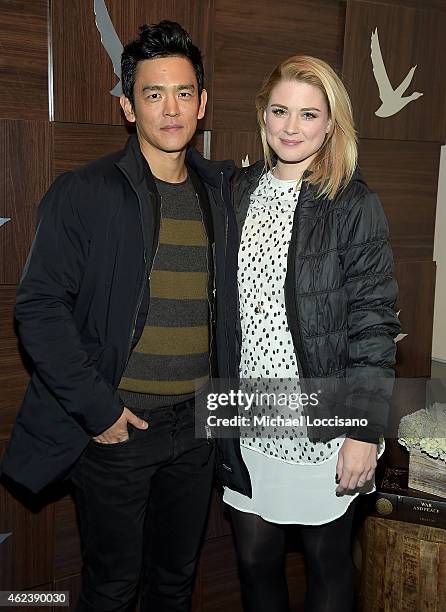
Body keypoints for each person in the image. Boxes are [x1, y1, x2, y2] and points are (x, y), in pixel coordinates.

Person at [1, 21, 237, 612]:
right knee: (111, 588)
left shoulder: (223, 192)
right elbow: (38, 307)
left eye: (184, 92)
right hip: (119, 428)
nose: (171, 108)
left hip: (198, 429)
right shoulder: (85, 191)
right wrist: (98, 409)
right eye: (153, 94)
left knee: (175, 582)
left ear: (203, 104)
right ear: (129, 107)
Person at [216, 56, 400, 612]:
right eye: (280, 111)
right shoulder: (236, 193)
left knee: (327, 560)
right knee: (253, 561)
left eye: (309, 114)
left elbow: (375, 320)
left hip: (326, 416)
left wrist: (363, 431)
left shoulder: (353, 201)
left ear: (331, 124)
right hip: (249, 411)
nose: (291, 128)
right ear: (263, 116)